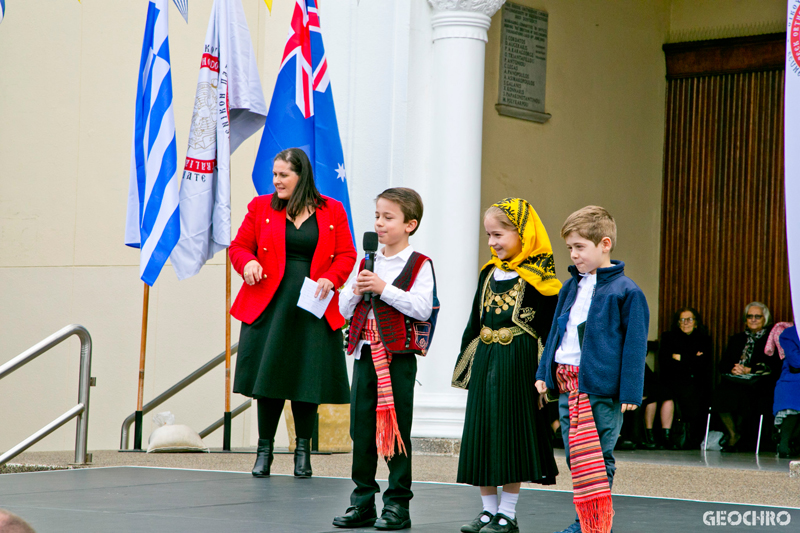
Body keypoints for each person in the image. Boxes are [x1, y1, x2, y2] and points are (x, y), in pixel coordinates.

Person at [229, 147, 356, 479]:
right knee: (268, 380)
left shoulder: (333, 210)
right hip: (270, 305)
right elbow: (238, 247)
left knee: (307, 379)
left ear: (302, 176)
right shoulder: (260, 207)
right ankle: (264, 451)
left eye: (284, 175)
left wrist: (332, 277)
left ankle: (303, 451)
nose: (277, 181)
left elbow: (347, 254)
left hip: (313, 305)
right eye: (274, 175)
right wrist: (249, 263)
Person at [535, 206, 649, 533]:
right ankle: (587, 520)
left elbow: (635, 344)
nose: (574, 254)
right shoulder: (571, 287)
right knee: (576, 458)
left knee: (598, 459)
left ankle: (593, 524)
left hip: (600, 388)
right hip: (568, 386)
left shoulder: (627, 291)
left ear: (605, 244)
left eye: (580, 247)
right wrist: (545, 372)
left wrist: (630, 391)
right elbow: (558, 333)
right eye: (570, 248)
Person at [453, 199, 560, 533]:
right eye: (488, 235)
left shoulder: (541, 279)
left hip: (519, 363)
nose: (492, 242)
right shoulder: (488, 273)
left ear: (522, 234)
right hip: (486, 360)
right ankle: (487, 511)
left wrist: (544, 377)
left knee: (512, 433)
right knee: (483, 431)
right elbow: (475, 321)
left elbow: (549, 331)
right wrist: (467, 367)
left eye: (498, 234)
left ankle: (508, 513)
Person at [333, 188, 436, 531]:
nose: (379, 223)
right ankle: (362, 502)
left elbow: (422, 307)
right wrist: (356, 291)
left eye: (388, 217)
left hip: (397, 360)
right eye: (377, 215)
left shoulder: (420, 264)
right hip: (364, 356)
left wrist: (382, 288)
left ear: (410, 224)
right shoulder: (367, 261)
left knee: (395, 431)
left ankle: (397, 505)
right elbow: (343, 310)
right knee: (361, 431)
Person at [712, 302, 779, 452]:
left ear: (765, 319)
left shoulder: (772, 340)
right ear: (745, 320)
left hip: (759, 383)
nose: (753, 320)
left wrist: (750, 369)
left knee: (746, 396)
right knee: (721, 393)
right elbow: (723, 365)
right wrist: (734, 369)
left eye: (757, 317)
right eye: (750, 317)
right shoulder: (737, 339)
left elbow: (774, 365)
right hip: (736, 380)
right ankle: (733, 434)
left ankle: (743, 436)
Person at [648, 307, 712, 449]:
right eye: (682, 320)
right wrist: (692, 359)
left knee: (694, 393)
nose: (685, 323)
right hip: (671, 380)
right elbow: (665, 363)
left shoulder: (704, 339)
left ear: (696, 323)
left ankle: (687, 439)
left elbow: (703, 365)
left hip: (695, 381)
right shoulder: (668, 337)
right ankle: (666, 438)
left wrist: (680, 357)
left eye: (689, 319)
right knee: (668, 394)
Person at [773, 325, 800, 458]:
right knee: (792, 396)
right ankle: (785, 441)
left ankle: (790, 440)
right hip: (793, 378)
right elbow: (796, 361)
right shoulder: (789, 334)